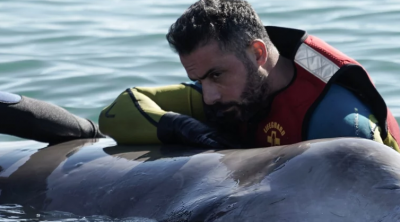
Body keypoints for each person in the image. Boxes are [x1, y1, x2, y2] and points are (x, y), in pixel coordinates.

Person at [1, 0, 400, 151]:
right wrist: (183, 128)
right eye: (199, 80)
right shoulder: (231, 88)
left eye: (215, 75)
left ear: (258, 53)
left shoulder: (339, 122)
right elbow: (116, 115)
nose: (207, 96)